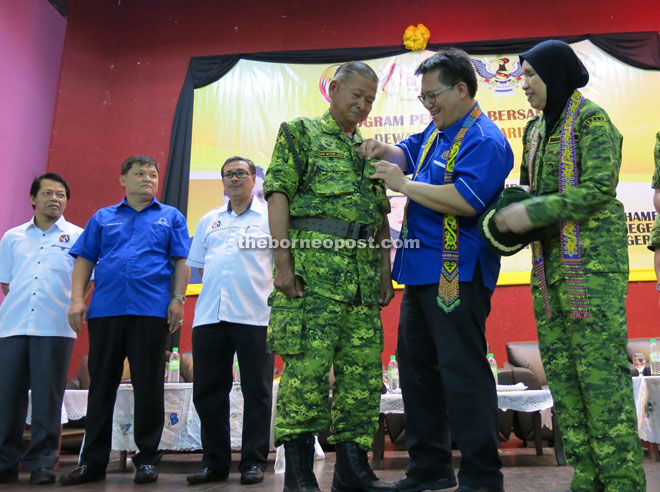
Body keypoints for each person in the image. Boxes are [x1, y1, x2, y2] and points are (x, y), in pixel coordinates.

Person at [493, 39, 646, 492]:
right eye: (521, 76)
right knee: (565, 377)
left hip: (592, 270)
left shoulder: (593, 121)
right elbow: (527, 192)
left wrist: (533, 212)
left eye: (529, 76)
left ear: (554, 76)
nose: (523, 85)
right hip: (548, 274)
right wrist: (508, 217)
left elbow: (599, 188)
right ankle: (587, 478)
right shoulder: (535, 130)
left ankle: (620, 482)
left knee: (601, 379)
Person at [363, 49, 513, 492]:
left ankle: (483, 475)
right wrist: (378, 149)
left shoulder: (484, 139)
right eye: (423, 98)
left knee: (463, 374)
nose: (428, 105)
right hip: (421, 273)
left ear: (462, 89)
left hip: (456, 276)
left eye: (433, 96)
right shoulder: (437, 131)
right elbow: (404, 152)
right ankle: (429, 467)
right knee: (416, 372)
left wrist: (403, 185)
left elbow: (465, 201)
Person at [263, 61, 395, 492]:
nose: (362, 105)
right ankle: (299, 476)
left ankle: (352, 472)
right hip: (312, 281)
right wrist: (283, 265)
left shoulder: (368, 152)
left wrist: (384, 271)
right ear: (334, 88)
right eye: (356, 95)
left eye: (370, 100)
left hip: (360, 284)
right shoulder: (300, 133)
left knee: (361, 379)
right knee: (306, 377)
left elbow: (378, 219)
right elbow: (278, 193)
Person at [61, 155, 191, 486]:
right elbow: (84, 260)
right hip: (106, 311)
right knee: (101, 385)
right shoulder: (103, 218)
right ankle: (93, 462)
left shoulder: (170, 217)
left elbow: (181, 263)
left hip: (151, 312)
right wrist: (77, 300)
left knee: (149, 387)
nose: (147, 179)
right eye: (139, 174)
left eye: (152, 174)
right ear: (123, 180)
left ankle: (146, 460)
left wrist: (177, 300)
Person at [185, 156, 275, 486]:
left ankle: (253, 462)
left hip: (256, 315)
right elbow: (199, 267)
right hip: (210, 317)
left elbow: (283, 262)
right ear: (222, 181)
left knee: (257, 392)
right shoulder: (208, 220)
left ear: (255, 180)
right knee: (208, 393)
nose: (234, 179)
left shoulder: (270, 218)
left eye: (241, 173)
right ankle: (214, 463)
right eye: (228, 174)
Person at [0, 174, 83, 485]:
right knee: (7, 397)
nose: (55, 199)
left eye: (61, 194)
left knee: (48, 398)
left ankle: (42, 463)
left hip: (55, 326)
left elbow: (84, 282)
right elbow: (7, 282)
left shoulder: (78, 237)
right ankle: (5, 462)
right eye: (48, 193)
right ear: (33, 199)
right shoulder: (12, 237)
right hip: (12, 326)